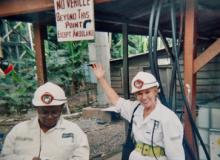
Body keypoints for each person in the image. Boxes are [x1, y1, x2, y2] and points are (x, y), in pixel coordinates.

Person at [91, 64, 185, 160]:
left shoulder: (168, 117)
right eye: (139, 93)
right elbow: (116, 100)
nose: (144, 97)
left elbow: (176, 155)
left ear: (155, 91)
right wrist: (101, 79)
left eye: (147, 92)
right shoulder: (135, 108)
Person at [0, 82, 89, 160]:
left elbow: (82, 157)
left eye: (54, 112)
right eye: (44, 112)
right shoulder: (18, 130)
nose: (50, 117)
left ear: (61, 108)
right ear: (37, 108)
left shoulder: (74, 131)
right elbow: (4, 157)